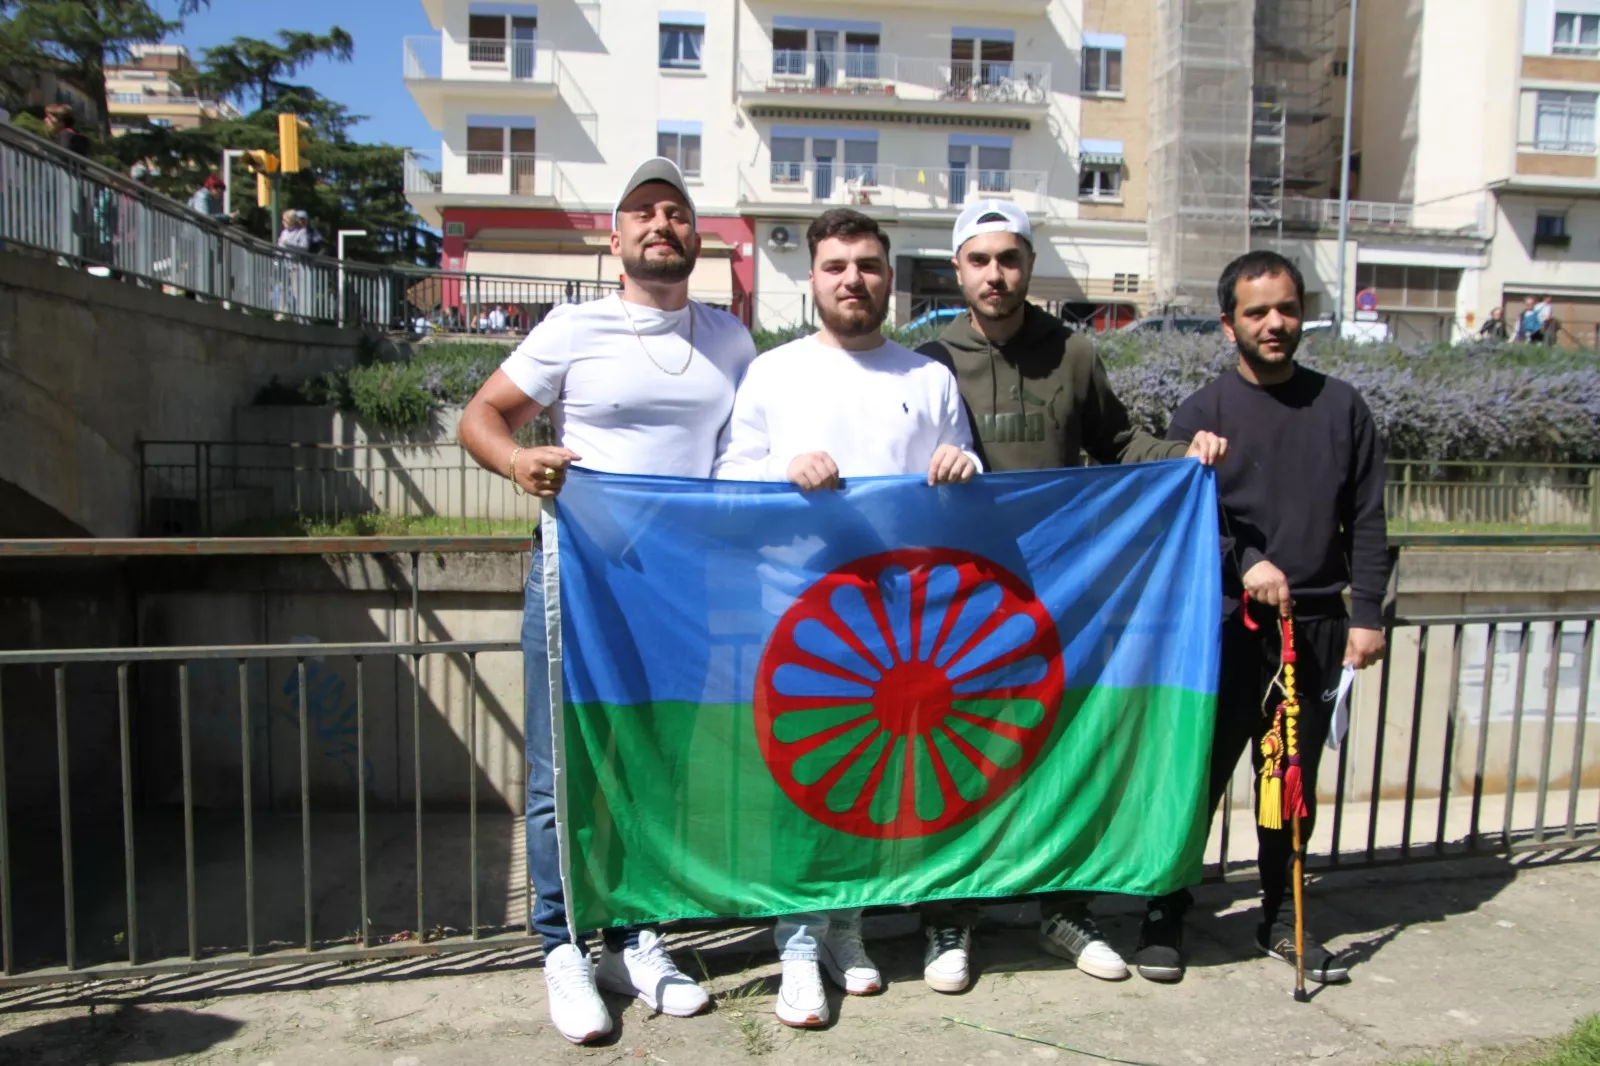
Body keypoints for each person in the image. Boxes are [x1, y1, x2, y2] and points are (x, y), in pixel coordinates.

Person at [458, 157, 756, 1045]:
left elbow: (751, 453)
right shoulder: (572, 327)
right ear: (616, 235)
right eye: (644, 212)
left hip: (682, 590)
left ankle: (634, 935)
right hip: (578, 580)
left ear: (697, 237)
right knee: (561, 770)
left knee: (657, 767)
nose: (662, 224)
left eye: (677, 212)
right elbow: (481, 417)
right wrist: (519, 461)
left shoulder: (732, 341)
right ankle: (562, 946)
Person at [910, 200, 1228, 995]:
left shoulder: (1075, 352)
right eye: (980, 260)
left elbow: (1117, 443)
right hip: (960, 610)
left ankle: (1064, 908)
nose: (995, 274)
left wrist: (1185, 454)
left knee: (1060, 755)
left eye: (1009, 258)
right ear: (958, 269)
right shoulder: (926, 361)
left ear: (1028, 264)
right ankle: (951, 915)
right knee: (962, 761)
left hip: (1060, 600)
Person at [715, 208, 981, 1028]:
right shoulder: (773, 373)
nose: (852, 279)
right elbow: (726, 480)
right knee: (800, 782)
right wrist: (783, 469)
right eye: (836, 266)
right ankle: (796, 943)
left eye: (867, 264)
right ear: (813, 279)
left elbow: (962, 486)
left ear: (889, 277)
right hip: (796, 618)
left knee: (868, 783)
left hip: (897, 626)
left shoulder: (928, 379)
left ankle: (845, 927)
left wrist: (963, 464)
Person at [1134, 250, 1390, 985]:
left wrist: (1367, 614)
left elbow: (1368, 518)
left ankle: (1280, 917)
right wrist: (1242, 561)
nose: (1274, 323)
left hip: (1314, 632)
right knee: (1197, 779)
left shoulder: (1343, 407)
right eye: (1257, 312)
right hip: (1223, 633)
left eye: (1286, 308)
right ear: (1228, 324)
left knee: (1288, 787)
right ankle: (1164, 911)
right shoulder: (1201, 415)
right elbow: (1182, 519)